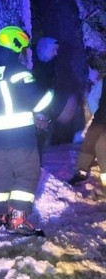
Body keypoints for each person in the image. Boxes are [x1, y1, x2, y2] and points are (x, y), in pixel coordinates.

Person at [0, 26, 54, 235]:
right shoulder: (18, 72)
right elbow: (39, 101)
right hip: (19, 135)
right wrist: (53, 95)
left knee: (0, 173)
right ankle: (18, 219)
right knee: (27, 173)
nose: (22, 53)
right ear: (15, 44)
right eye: (22, 48)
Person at [68, 59, 106, 191]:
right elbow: (97, 100)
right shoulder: (104, 81)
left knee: (102, 144)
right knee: (89, 140)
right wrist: (97, 115)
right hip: (101, 117)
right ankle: (81, 172)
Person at [32, 37, 60, 163]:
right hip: (34, 110)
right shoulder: (33, 65)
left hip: (44, 108)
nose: (56, 54)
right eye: (53, 50)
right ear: (44, 49)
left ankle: (38, 166)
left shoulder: (51, 65)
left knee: (41, 139)